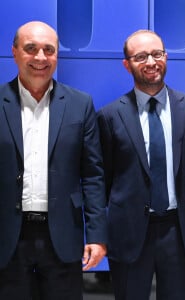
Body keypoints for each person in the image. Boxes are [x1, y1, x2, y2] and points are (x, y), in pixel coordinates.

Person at [0, 21, 107, 300]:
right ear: (14, 52)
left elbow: (93, 175)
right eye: (31, 48)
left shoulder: (79, 104)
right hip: (7, 237)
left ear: (57, 55)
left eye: (49, 50)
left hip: (62, 235)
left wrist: (96, 235)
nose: (40, 57)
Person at [97, 30, 185, 300]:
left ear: (166, 57)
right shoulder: (109, 116)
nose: (151, 62)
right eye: (141, 56)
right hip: (130, 233)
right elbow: (105, 178)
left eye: (157, 54)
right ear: (127, 64)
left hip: (178, 232)